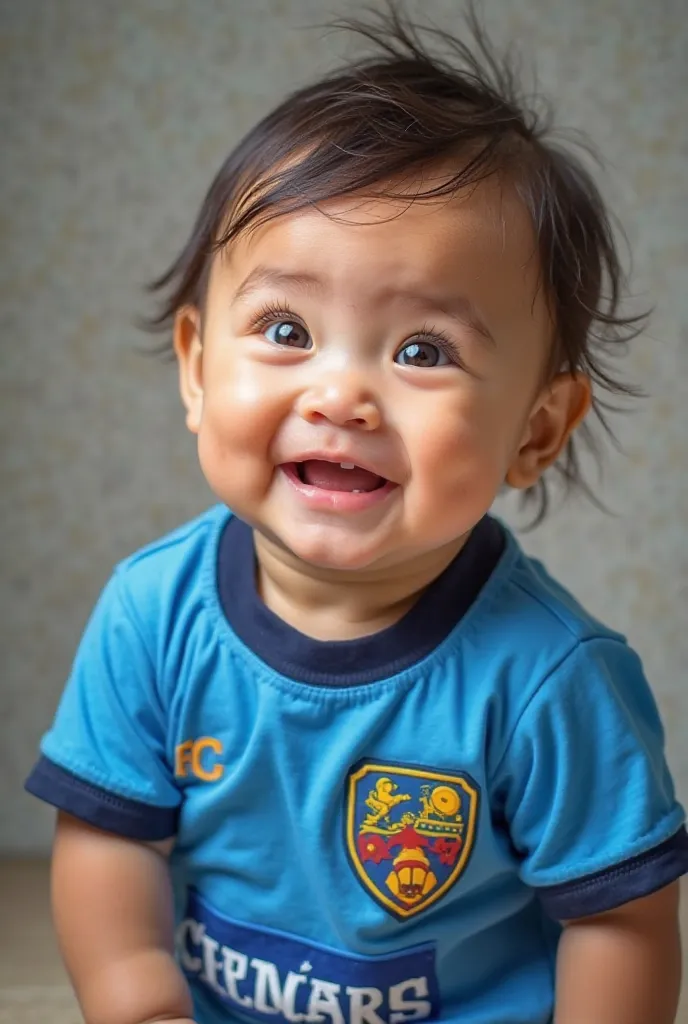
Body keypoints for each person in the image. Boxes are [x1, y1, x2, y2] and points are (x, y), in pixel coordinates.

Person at [25, 6, 687, 1024]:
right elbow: (113, 835)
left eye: (422, 350)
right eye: (286, 329)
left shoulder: (548, 677)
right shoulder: (153, 613)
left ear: (536, 427)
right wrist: (140, 999)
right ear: (197, 367)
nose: (340, 395)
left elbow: (622, 922)